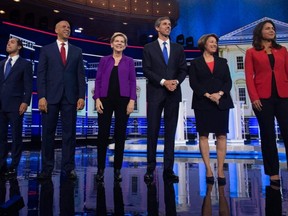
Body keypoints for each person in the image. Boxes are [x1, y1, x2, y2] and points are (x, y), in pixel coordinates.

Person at [37, 20, 86, 180]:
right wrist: (41, 96)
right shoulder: (46, 50)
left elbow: (80, 75)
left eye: (69, 27)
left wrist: (81, 96)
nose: (67, 29)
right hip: (50, 97)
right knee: (48, 134)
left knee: (69, 135)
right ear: (56, 29)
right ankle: (47, 169)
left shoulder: (77, 51)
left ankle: (68, 167)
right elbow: (41, 75)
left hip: (70, 98)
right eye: (64, 27)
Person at [142, 16, 187, 184]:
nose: (168, 26)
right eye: (165, 24)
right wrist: (163, 82)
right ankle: (150, 169)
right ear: (157, 28)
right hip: (155, 93)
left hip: (173, 94)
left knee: (170, 133)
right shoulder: (148, 48)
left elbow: (183, 70)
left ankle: (168, 169)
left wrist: (175, 82)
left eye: (169, 24)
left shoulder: (178, 48)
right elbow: (146, 70)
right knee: (152, 132)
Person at [245, 20, 288, 187]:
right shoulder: (251, 52)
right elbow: (249, 77)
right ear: (260, 32)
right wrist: (254, 97)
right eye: (268, 28)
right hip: (262, 98)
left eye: (273, 29)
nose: (272, 31)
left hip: (284, 96)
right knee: (268, 135)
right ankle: (273, 172)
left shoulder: (282, 50)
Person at [188, 34, 234, 185]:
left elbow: (228, 81)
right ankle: (208, 169)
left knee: (221, 135)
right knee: (203, 136)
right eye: (211, 42)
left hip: (221, 101)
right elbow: (194, 83)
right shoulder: (195, 63)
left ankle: (220, 169)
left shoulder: (223, 61)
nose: (215, 44)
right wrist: (208, 95)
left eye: (216, 42)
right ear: (204, 44)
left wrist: (219, 94)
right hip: (203, 102)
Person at [93, 32, 136, 183]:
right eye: (116, 41)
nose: (119, 43)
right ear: (111, 44)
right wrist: (97, 99)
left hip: (123, 101)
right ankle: (100, 169)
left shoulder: (129, 61)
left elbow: (132, 82)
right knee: (102, 135)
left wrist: (132, 101)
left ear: (125, 45)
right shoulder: (104, 60)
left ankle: (118, 169)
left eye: (122, 42)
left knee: (120, 135)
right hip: (105, 99)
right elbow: (97, 81)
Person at [0, 37, 33, 179]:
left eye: (12, 42)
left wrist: (25, 102)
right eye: (8, 42)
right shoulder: (1, 63)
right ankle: (1, 165)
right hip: (1, 105)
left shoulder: (25, 64)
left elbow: (28, 85)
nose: (9, 44)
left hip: (16, 105)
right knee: (1, 137)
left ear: (19, 47)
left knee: (15, 136)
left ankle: (13, 165)